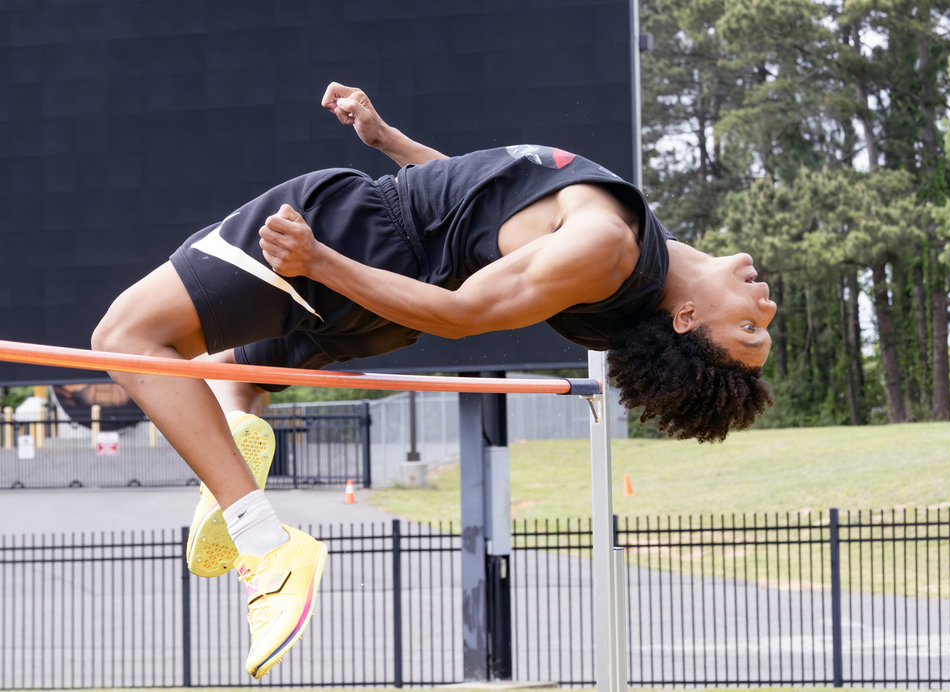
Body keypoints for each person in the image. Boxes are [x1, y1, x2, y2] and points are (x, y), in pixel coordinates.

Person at [91, 82, 776, 677]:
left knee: (125, 338)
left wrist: (320, 260)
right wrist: (387, 138)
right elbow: (480, 203)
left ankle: (265, 546)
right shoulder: (623, 249)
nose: (766, 306)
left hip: (360, 241)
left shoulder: (610, 246)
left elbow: (461, 314)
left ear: (686, 318)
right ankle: (234, 467)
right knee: (224, 377)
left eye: (750, 330)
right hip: (387, 289)